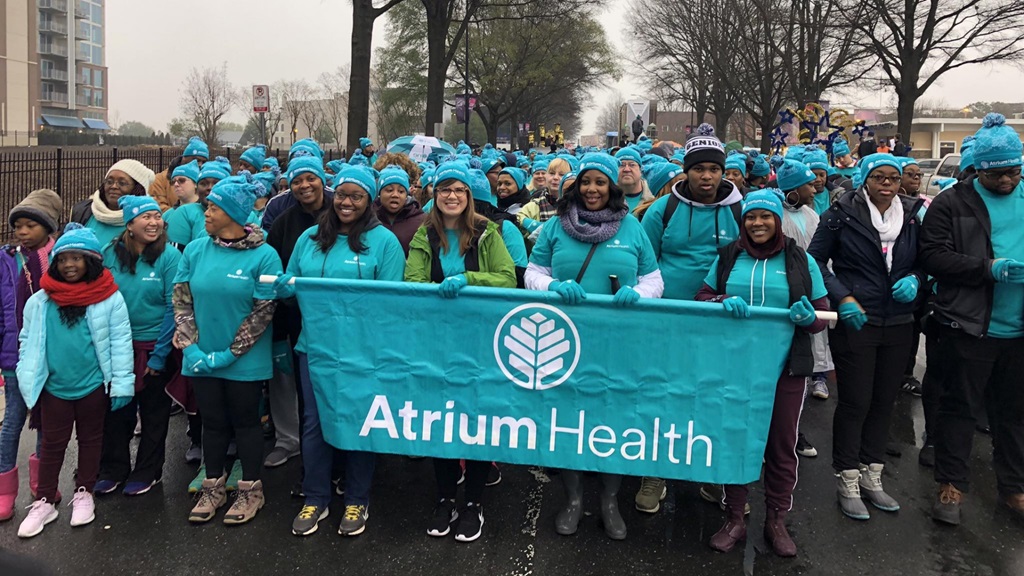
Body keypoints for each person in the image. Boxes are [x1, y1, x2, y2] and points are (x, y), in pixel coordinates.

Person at [525, 153, 664, 540]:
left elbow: (655, 279)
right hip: (565, 339)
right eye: (586, 182)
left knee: (612, 418)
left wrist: (638, 294)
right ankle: (572, 498)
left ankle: (609, 499)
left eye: (600, 183)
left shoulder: (632, 227)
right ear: (575, 186)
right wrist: (552, 286)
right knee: (569, 419)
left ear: (612, 188)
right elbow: (533, 273)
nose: (592, 189)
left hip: (619, 341)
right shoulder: (556, 227)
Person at [696, 190, 830, 557]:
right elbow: (702, 296)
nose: (757, 223)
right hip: (734, 366)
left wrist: (809, 318)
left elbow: (821, 315)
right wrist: (721, 301)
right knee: (736, 438)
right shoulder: (729, 256)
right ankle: (735, 517)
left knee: (781, 444)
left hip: (786, 367)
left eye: (765, 217)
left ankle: (776, 519)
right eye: (751, 217)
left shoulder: (800, 259)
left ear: (777, 221)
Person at [274, 164, 405, 537]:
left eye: (357, 196)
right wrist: (287, 288)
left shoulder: (384, 243)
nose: (347, 202)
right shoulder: (311, 238)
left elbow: (392, 303)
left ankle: (356, 499)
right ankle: (315, 496)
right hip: (313, 348)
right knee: (314, 425)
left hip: (362, 353)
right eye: (343, 195)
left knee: (358, 423)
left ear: (370, 201)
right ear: (334, 196)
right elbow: (293, 280)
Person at [807, 153, 925, 521]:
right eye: (879, 177)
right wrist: (843, 296)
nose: (887, 184)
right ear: (864, 179)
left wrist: (917, 280)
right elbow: (814, 261)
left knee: (883, 400)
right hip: (858, 320)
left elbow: (927, 258)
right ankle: (847, 477)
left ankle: (873, 475)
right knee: (856, 401)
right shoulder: (842, 213)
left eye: (893, 177)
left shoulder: (913, 215)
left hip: (899, 321)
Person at [919, 113, 1024, 524]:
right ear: (978, 169)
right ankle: (951, 486)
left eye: (1015, 172)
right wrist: (987, 268)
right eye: (997, 174)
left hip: (1018, 330)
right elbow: (932, 255)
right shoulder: (952, 202)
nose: (1007, 181)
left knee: (1014, 413)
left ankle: (1014, 487)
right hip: (968, 325)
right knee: (959, 408)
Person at [405, 162, 516, 542]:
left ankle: (474, 503)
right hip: (437, 343)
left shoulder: (487, 232)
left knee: (477, 420)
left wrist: (466, 280)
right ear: (434, 196)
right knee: (442, 421)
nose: (451, 196)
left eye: (459, 190)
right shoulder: (424, 235)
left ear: (469, 196)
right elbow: (413, 282)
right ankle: (445, 497)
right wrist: (434, 290)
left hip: (480, 340)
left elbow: (506, 278)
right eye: (444, 190)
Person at [173, 175, 283, 525]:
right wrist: (191, 350)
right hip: (200, 359)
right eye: (207, 206)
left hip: (243, 361)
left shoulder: (265, 256)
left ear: (234, 214)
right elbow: (181, 301)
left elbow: (263, 310)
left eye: (214, 208)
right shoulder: (195, 249)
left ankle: (251, 490)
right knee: (214, 424)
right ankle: (214, 486)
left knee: (246, 423)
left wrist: (229, 355)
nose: (206, 212)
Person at [15, 224, 134, 538]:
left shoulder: (109, 298)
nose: (69, 265)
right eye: (63, 259)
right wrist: (27, 375)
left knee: (91, 439)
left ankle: (84, 492)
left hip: (93, 384)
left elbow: (121, 342)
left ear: (91, 262)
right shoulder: (40, 301)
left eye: (77, 259)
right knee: (52, 445)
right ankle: (45, 500)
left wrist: (122, 383)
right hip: (54, 387)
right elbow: (27, 340)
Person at [95, 196, 181, 497]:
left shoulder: (170, 257)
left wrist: (159, 356)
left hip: (155, 346)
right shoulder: (109, 254)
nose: (154, 222)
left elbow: (174, 306)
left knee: (154, 413)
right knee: (118, 411)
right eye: (146, 217)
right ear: (129, 224)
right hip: (117, 347)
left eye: (158, 216)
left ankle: (148, 470)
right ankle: (112, 468)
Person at [0, 189, 63, 521]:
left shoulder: (62, 257)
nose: (22, 232)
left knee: (47, 422)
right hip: (15, 354)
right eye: (18, 226)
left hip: (53, 354)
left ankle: (44, 485)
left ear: (48, 228)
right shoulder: (6, 259)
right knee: (12, 420)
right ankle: (4, 489)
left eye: (30, 226)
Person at [71, 159, 156, 248]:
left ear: (138, 189)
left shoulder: (150, 220)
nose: (114, 186)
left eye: (122, 183)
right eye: (109, 182)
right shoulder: (83, 212)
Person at [373, 166, 426, 256]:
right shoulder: (368, 216)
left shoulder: (421, 220)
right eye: (389, 190)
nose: (395, 195)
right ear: (380, 193)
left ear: (406, 195)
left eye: (401, 191)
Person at [151, 137, 208, 212]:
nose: (200, 164)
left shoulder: (208, 181)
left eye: (204, 162)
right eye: (197, 160)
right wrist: (182, 216)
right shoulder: (160, 179)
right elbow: (157, 206)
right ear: (184, 158)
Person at [164, 160, 207, 250]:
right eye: (173, 181)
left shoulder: (205, 212)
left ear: (195, 184)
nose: (176, 184)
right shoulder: (167, 214)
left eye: (181, 180)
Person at [615, 147, 654, 212]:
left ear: (640, 170)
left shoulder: (653, 197)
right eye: (622, 165)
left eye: (632, 165)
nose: (627, 169)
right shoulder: (605, 198)